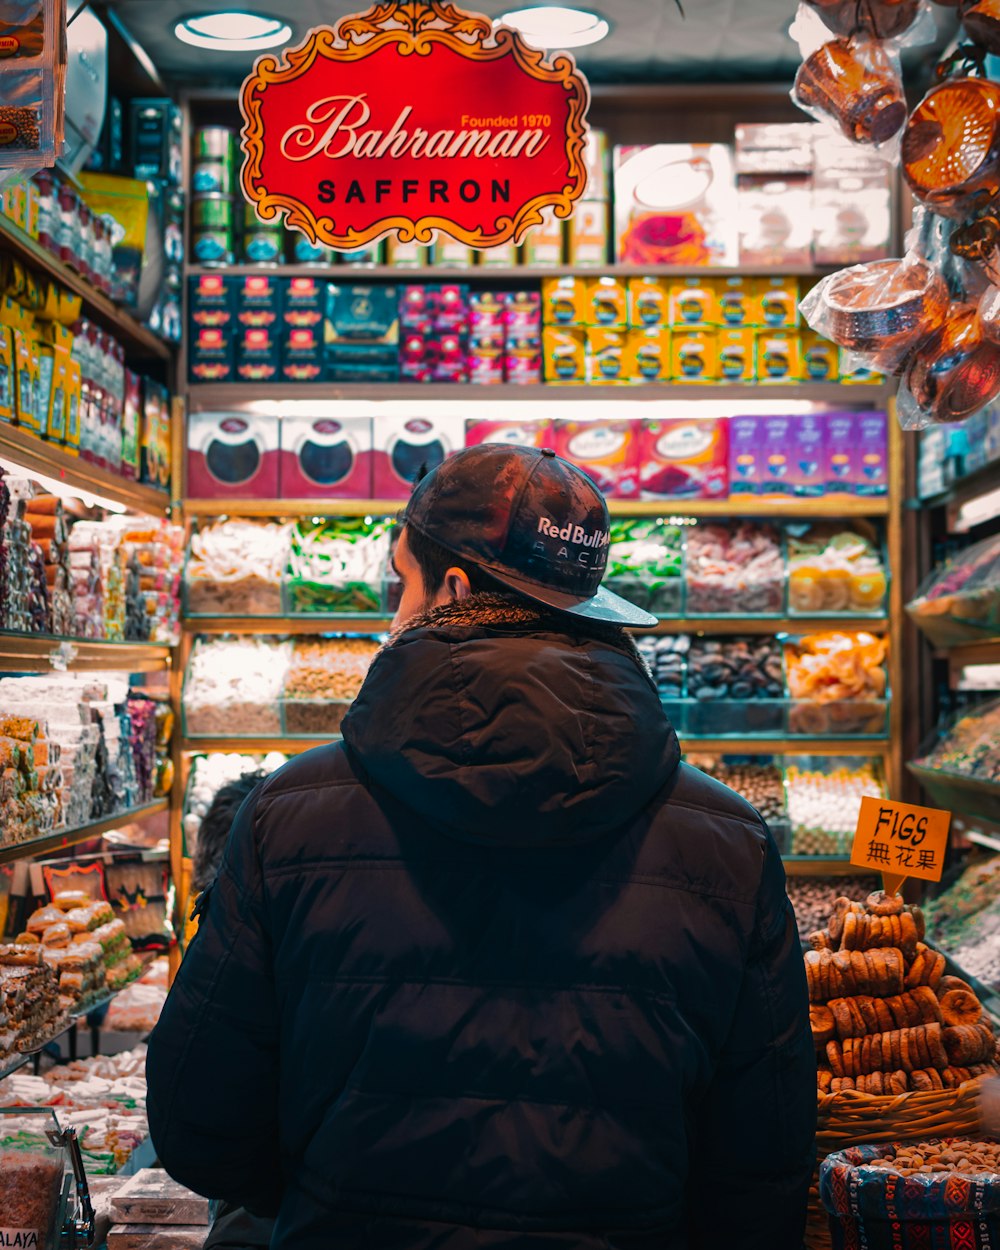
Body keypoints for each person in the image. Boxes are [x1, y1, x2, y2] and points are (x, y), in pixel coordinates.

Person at [148, 444, 816, 1249]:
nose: (393, 610)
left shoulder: (287, 815)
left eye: (401, 582)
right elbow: (766, 1159)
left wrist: (328, 1193)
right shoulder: (731, 842)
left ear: (453, 588)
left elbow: (202, 1119)